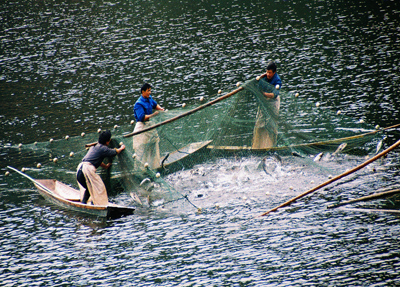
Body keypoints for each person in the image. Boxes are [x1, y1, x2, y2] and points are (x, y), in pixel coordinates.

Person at [76, 130, 125, 205]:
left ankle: (84, 203)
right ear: (107, 142)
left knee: (90, 188)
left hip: (80, 170)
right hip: (86, 170)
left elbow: (95, 160)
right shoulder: (103, 148)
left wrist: (105, 166)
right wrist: (121, 148)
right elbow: (114, 152)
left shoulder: (95, 146)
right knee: (99, 188)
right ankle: (98, 204)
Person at [132, 83, 165, 169]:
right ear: (143, 92)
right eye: (148, 91)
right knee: (142, 148)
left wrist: (161, 109)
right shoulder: (138, 104)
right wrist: (153, 115)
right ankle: (141, 169)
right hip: (141, 127)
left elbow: (155, 105)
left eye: (150, 90)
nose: (150, 92)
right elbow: (142, 117)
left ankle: (155, 166)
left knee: (154, 144)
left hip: (150, 125)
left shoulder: (149, 98)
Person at [252, 61, 282, 149]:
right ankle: (256, 147)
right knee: (259, 124)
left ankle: (272, 146)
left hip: (273, 101)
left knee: (272, 124)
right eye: (267, 72)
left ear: (274, 72)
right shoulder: (264, 77)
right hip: (264, 101)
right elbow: (257, 85)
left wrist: (264, 94)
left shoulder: (277, 80)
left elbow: (274, 94)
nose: (268, 74)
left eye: (270, 73)